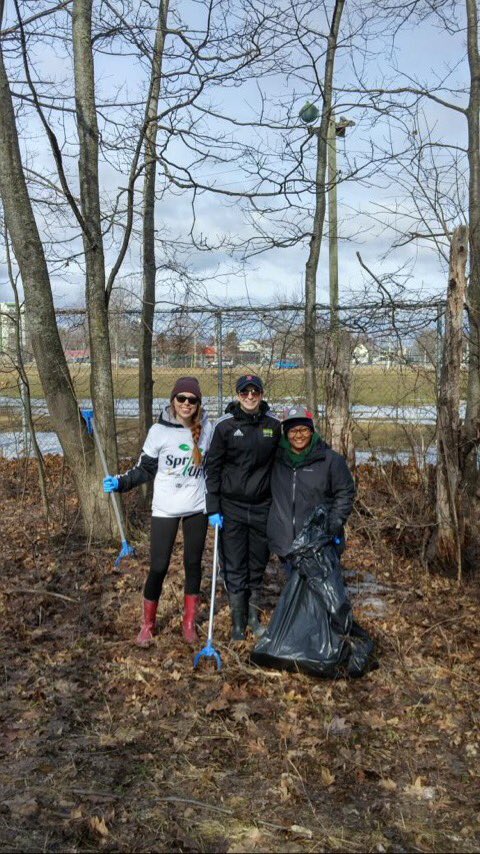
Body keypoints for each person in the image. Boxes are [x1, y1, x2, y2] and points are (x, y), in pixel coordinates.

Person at [103, 377, 213, 647]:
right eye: (181, 399)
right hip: (165, 508)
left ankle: (189, 624)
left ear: (199, 403)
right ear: (173, 401)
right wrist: (121, 482)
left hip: (197, 507)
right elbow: (145, 469)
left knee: (192, 565)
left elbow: (220, 464)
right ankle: (148, 625)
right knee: (159, 566)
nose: (186, 404)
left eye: (192, 400)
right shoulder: (158, 432)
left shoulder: (209, 429)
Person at [205, 374, 281, 641]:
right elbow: (212, 467)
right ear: (237, 395)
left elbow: (285, 461)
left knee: (257, 564)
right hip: (231, 507)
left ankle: (253, 617)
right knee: (235, 564)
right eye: (245, 392)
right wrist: (213, 506)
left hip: (262, 507)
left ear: (261, 394)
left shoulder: (274, 425)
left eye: (255, 392)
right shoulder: (224, 426)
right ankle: (238, 623)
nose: (250, 397)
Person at [267, 404, 355, 564]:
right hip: (285, 544)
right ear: (286, 434)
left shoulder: (330, 460)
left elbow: (345, 492)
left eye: (304, 430)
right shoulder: (275, 459)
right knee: (292, 586)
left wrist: (334, 522)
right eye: (293, 431)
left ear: (311, 431)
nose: (298, 435)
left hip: (319, 542)